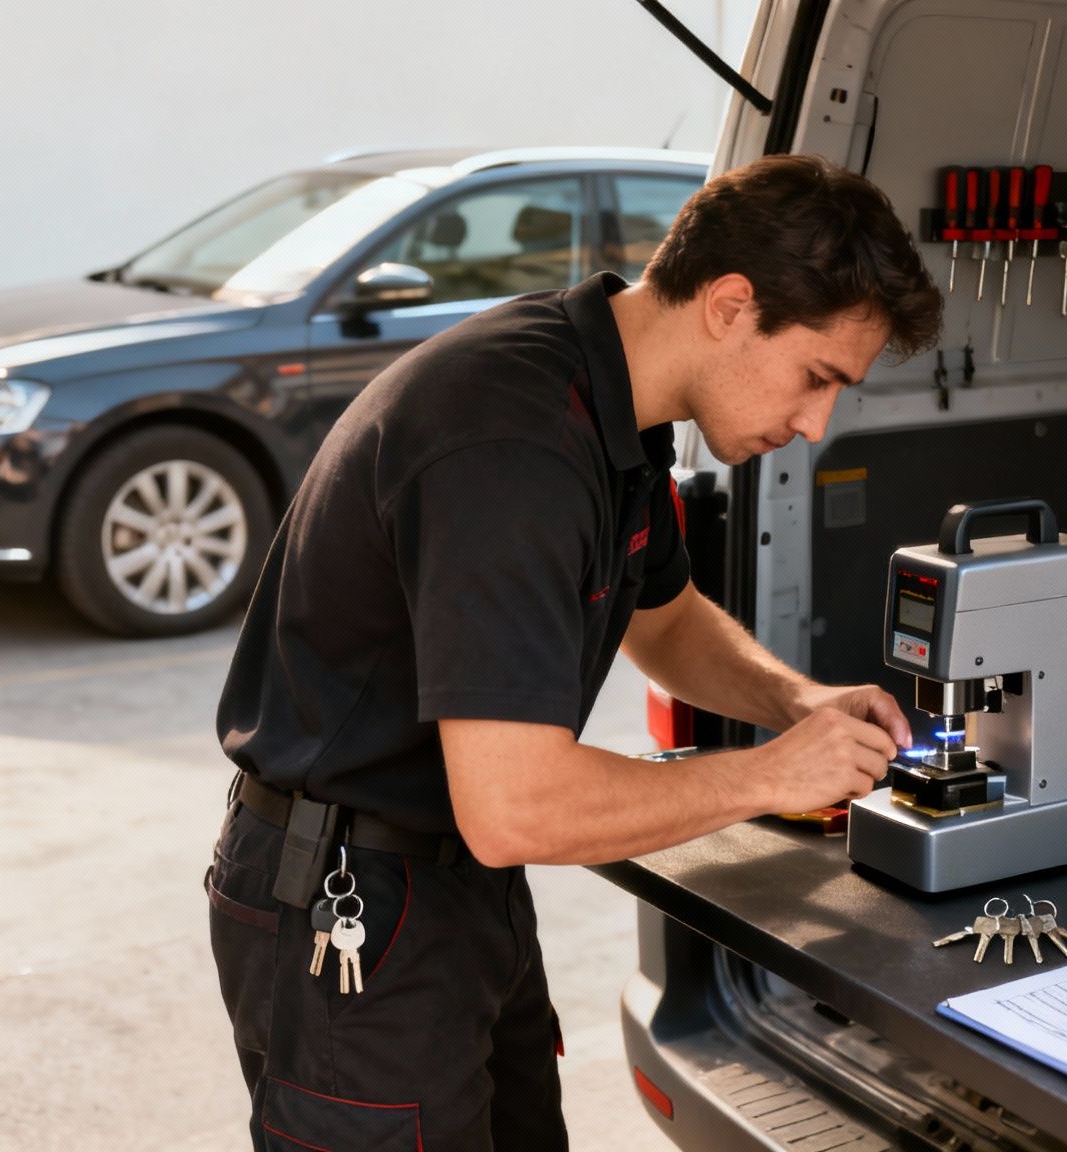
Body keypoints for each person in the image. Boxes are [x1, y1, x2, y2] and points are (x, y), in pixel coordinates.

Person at [203, 153, 943, 1151]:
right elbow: (517, 807)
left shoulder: (616, 411)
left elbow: (668, 622)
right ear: (730, 306)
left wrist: (795, 703)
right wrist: (768, 777)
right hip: (352, 908)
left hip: (457, 885)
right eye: (817, 378)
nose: (815, 423)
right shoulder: (509, 446)